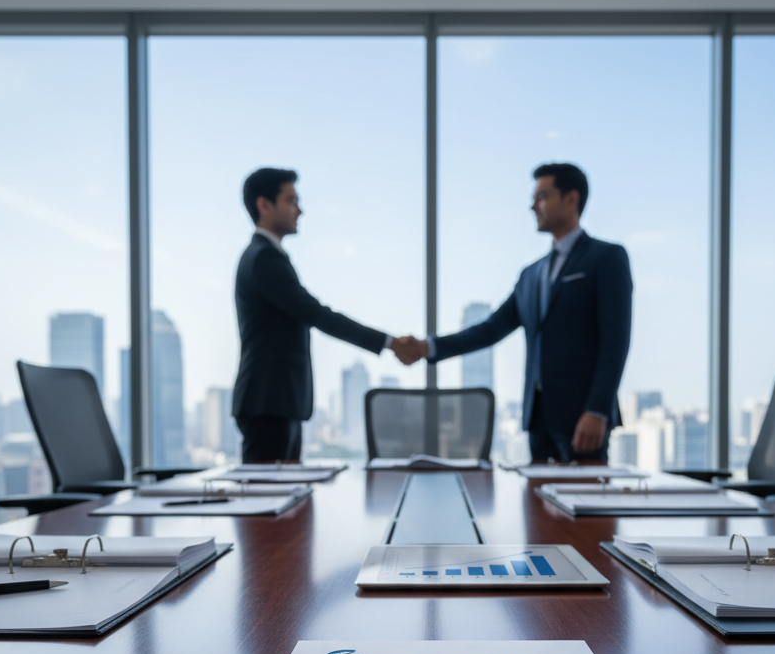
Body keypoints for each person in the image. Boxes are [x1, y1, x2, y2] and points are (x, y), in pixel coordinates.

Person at [399, 163, 633, 462]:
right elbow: (491, 328)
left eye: (542, 196)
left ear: (571, 198)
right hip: (538, 420)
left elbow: (616, 340)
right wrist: (427, 347)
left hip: (583, 419)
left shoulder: (606, 257)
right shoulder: (530, 275)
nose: (533, 206)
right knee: (536, 505)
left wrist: (597, 410)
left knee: (583, 503)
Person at [232, 168, 419, 461]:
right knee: (269, 500)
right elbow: (317, 314)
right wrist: (390, 343)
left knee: (282, 497)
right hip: (268, 402)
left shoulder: (266, 256)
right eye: (291, 200)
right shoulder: (264, 258)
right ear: (264, 205)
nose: (300, 210)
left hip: (276, 402)